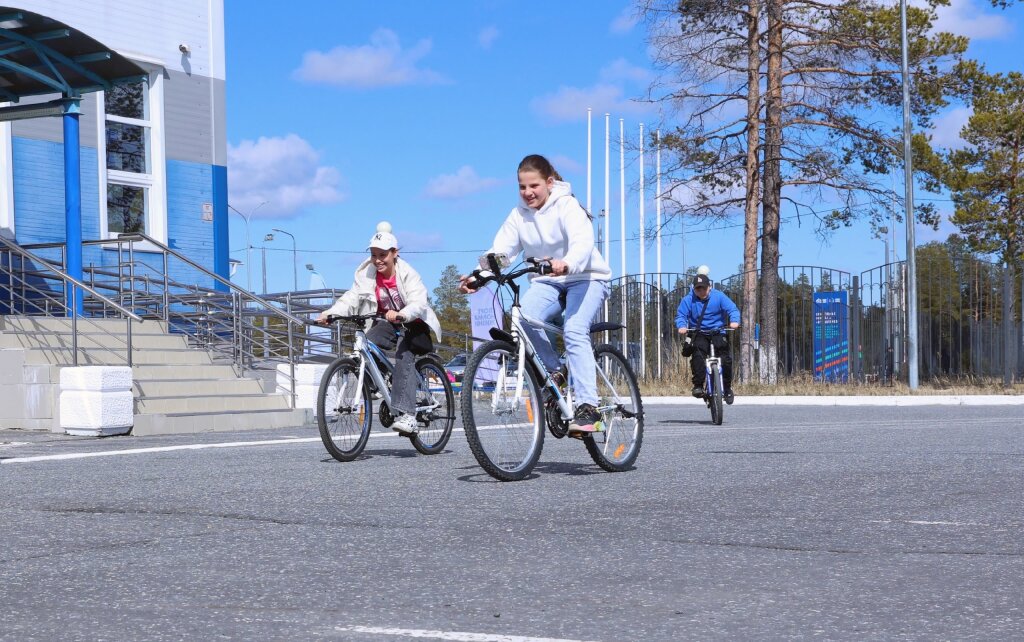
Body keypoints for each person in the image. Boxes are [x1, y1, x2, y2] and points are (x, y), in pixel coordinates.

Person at [460, 154, 611, 437]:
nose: (528, 193)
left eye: (534, 186)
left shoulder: (566, 206)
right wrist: (477, 277)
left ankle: (588, 406)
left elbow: (583, 241)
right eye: (522, 187)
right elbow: (500, 253)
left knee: (575, 330)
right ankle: (556, 372)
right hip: (548, 281)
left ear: (549, 183)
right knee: (523, 319)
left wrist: (567, 262)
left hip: (586, 277)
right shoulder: (518, 215)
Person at [317, 222, 442, 436]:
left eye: (383, 255)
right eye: (374, 255)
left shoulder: (408, 273)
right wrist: (330, 313)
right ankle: (381, 384)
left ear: (395, 253)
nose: (378, 260)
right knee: (368, 341)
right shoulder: (367, 274)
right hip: (387, 324)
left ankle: (408, 416)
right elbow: (352, 297)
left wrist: (403, 313)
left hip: (413, 324)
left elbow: (419, 301)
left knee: (404, 356)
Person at [675, 271, 741, 404]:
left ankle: (727, 388)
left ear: (709, 287)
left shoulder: (719, 296)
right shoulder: (688, 300)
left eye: (703, 288)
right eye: (698, 288)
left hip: (718, 331)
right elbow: (681, 315)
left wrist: (734, 321)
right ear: (694, 289)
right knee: (698, 356)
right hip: (699, 332)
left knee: (725, 359)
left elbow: (733, 309)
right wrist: (681, 326)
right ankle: (698, 385)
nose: (701, 291)